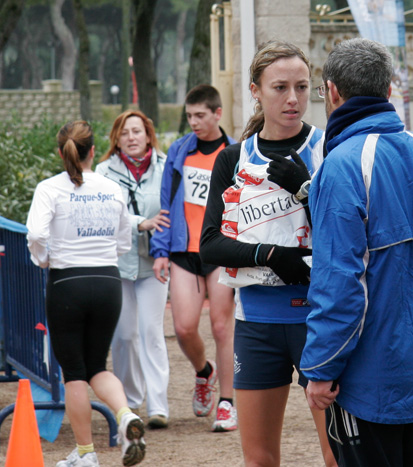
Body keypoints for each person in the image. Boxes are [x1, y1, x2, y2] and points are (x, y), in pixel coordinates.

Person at [300, 38, 413, 466]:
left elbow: (339, 285)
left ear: (332, 91)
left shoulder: (340, 166)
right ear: (388, 90)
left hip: (366, 380)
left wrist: (320, 369)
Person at [199, 40, 336, 467]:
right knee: (259, 460)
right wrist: (271, 254)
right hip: (257, 323)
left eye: (301, 86)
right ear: (256, 90)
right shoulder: (234, 158)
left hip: (320, 319)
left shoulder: (328, 149)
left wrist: (307, 188)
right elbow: (210, 245)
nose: (293, 99)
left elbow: (349, 232)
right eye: (280, 87)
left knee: (338, 458)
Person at [26, 121, 146, 466]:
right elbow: (126, 237)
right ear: (94, 150)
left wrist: (44, 259)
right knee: (98, 365)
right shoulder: (112, 187)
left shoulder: (50, 188)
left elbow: (35, 233)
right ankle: (124, 416)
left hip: (67, 282)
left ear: (61, 152)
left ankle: (85, 454)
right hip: (108, 281)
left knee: (75, 373)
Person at [149, 84, 238, 432]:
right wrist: (160, 251)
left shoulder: (233, 152)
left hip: (219, 250)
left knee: (220, 325)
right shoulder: (179, 151)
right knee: (184, 327)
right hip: (183, 250)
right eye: (189, 116)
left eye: (200, 115)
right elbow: (167, 205)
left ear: (217, 113)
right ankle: (205, 372)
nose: (194, 122)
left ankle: (227, 403)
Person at [96, 110, 171, 429]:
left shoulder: (166, 167)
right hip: (119, 263)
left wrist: (164, 245)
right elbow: (104, 213)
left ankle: (158, 406)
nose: (131, 137)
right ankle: (129, 402)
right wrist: (141, 223)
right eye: (125, 132)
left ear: (148, 134)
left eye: (137, 131)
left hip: (154, 263)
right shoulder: (103, 172)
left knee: (151, 332)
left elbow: (171, 211)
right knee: (124, 335)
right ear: (117, 138)